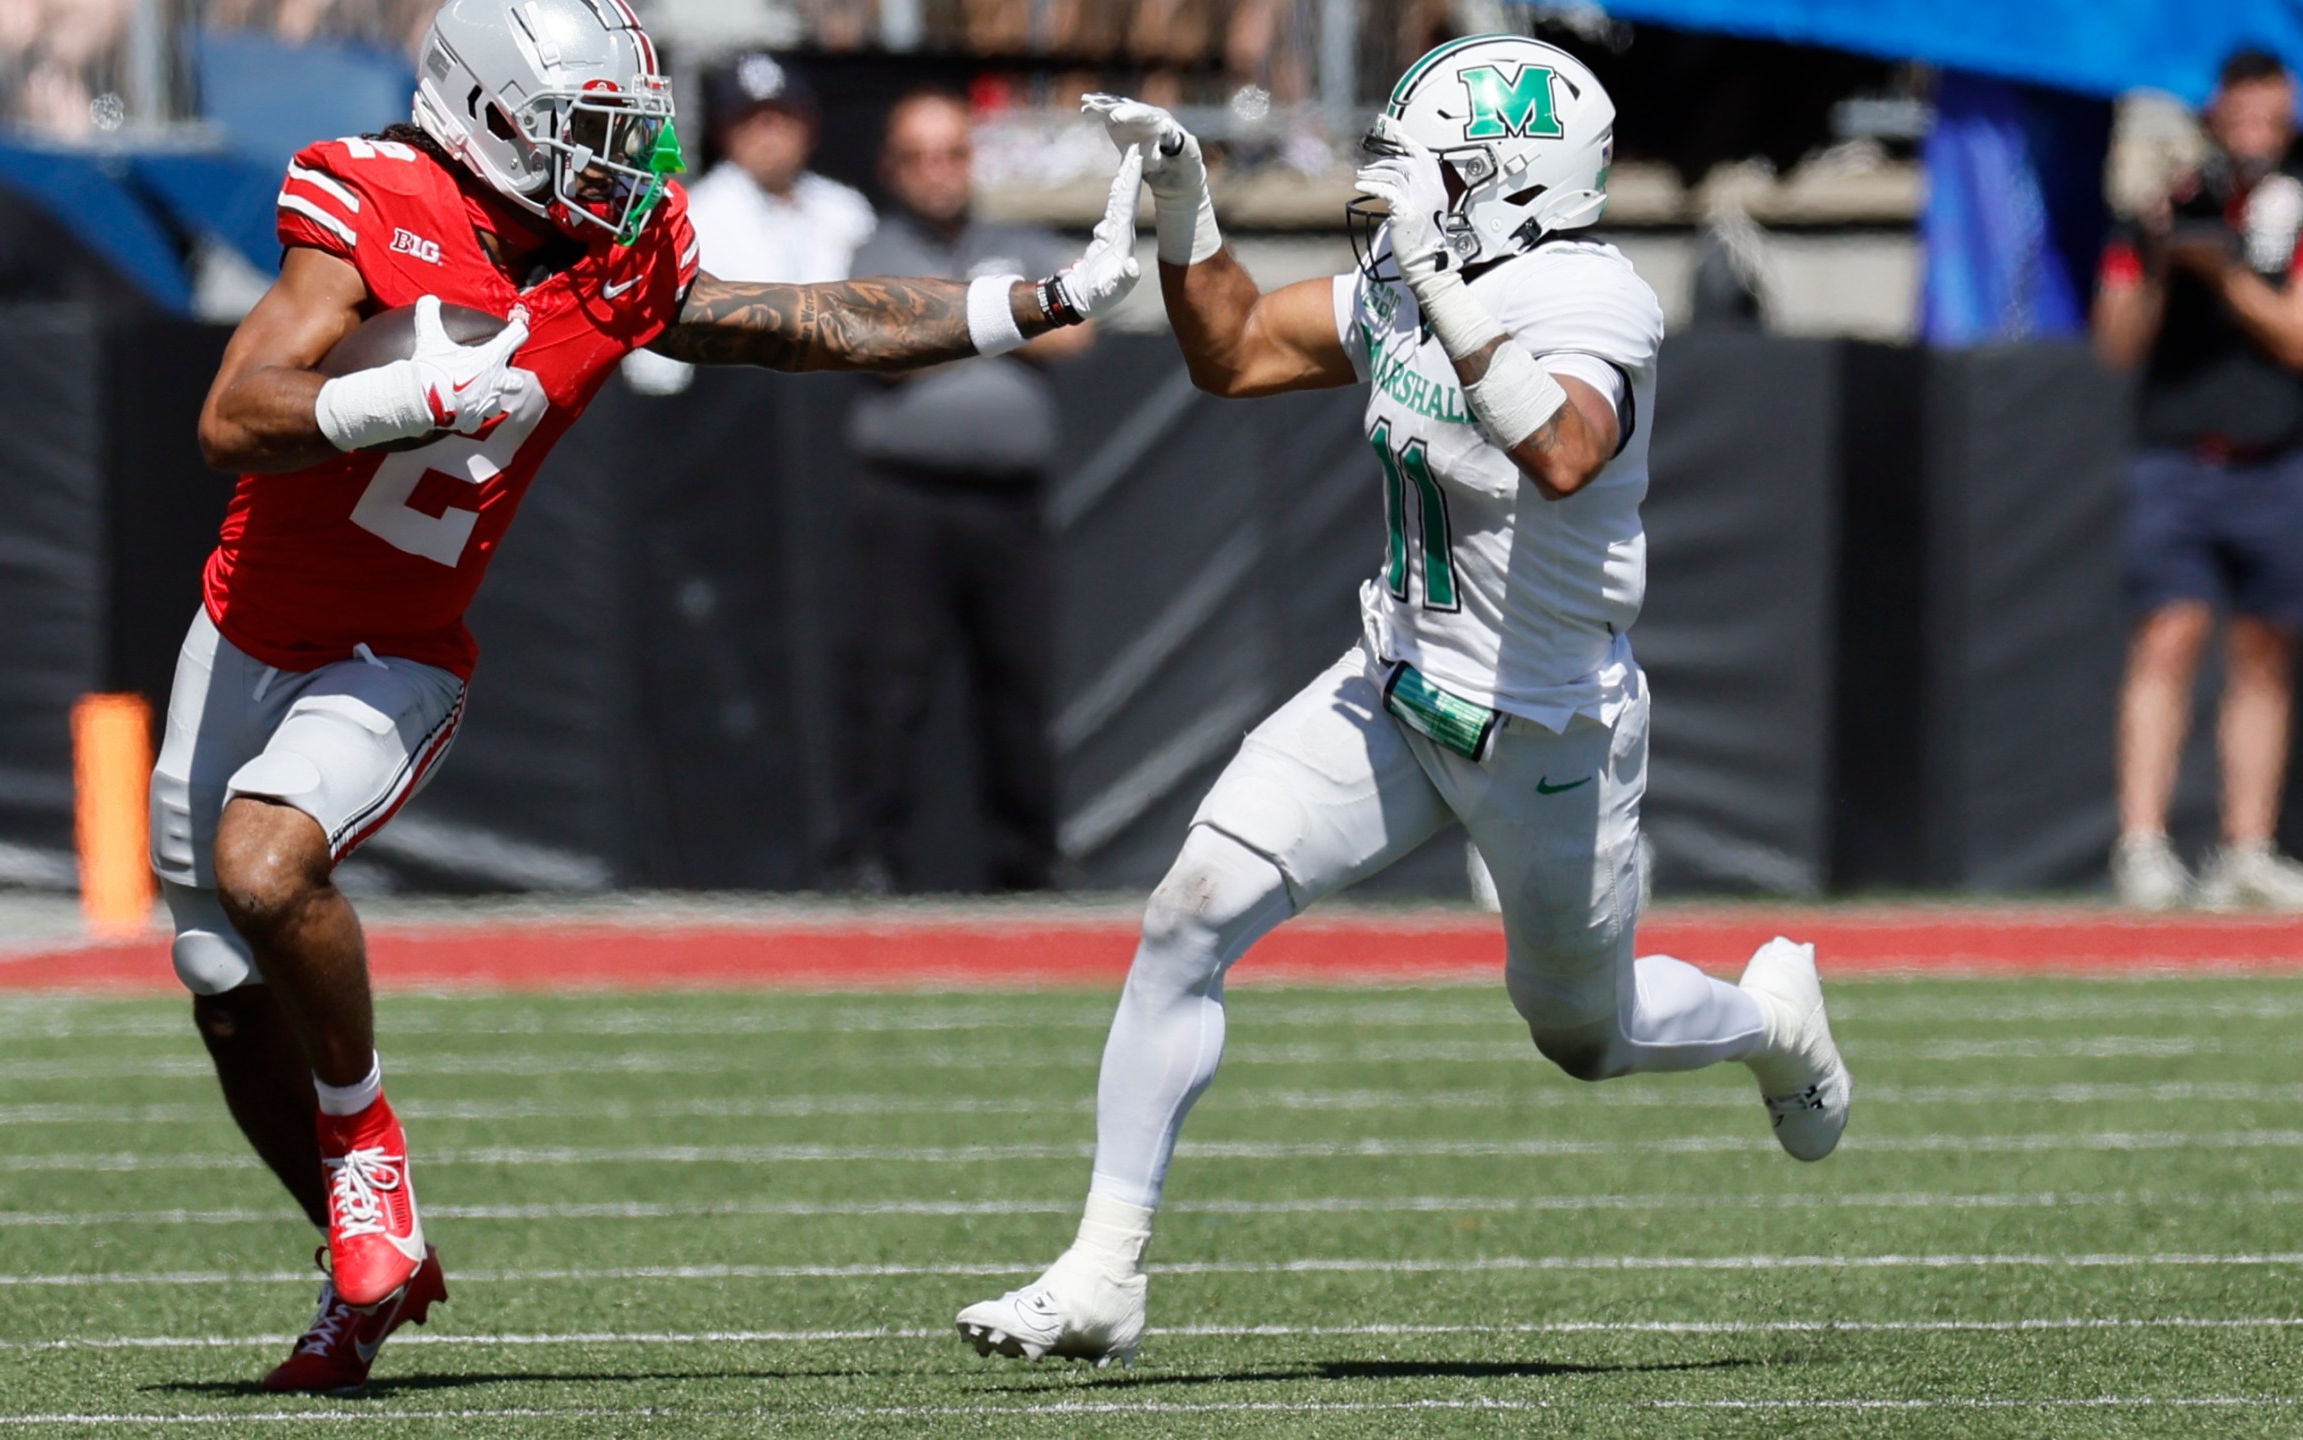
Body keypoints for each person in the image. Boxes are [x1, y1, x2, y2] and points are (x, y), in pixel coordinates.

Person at [157, 0, 1145, 1394]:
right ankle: (360, 1268)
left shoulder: (615, 258)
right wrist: (401, 396)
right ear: (487, 119)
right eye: (588, 133)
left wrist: (1029, 299)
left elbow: (804, 323)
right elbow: (230, 414)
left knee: (268, 868)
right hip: (238, 629)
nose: (622, 167)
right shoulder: (373, 196)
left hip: (396, 650)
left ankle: (366, 1149)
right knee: (216, 984)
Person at [954, 38, 1851, 1365]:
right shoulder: (1405, 270)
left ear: (1515, 178)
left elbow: (1563, 449)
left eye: (1431, 163)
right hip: (1391, 682)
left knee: (1587, 1037)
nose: (1396, 183)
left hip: (1544, 722)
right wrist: (1190, 207)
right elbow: (1239, 352)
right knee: (1184, 920)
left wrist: (1435, 278)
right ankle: (1102, 1274)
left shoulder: (1592, 295)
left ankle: (1773, 1022)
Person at [2093, 48, 2303, 912]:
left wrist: (2228, 275)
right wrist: (2166, 255)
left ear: (2288, 115)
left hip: (2277, 458)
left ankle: (2246, 846)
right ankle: (2144, 846)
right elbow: (2116, 343)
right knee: (2168, 637)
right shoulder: (2169, 205)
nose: (2251, 132)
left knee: (2264, 655)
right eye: (2238, 114)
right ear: (2216, 114)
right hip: (2175, 455)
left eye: (2267, 115)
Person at [828, 90, 1094, 892]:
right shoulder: (876, 248)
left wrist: (947, 318)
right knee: (891, 683)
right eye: (921, 156)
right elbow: (880, 346)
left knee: (1019, 683)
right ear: (891, 167)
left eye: (953, 153)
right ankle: (870, 856)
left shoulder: (1015, 238)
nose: (939, 173)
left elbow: (1078, 328)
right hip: (907, 499)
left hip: (1009, 503)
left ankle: (1029, 860)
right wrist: (1006, 320)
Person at [619, 50, 874, 394]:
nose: (769, 133)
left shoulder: (848, 210)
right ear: (723, 132)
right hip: (732, 409)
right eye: (751, 119)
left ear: (809, 125)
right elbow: (653, 370)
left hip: (833, 404)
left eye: (782, 117)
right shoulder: (691, 217)